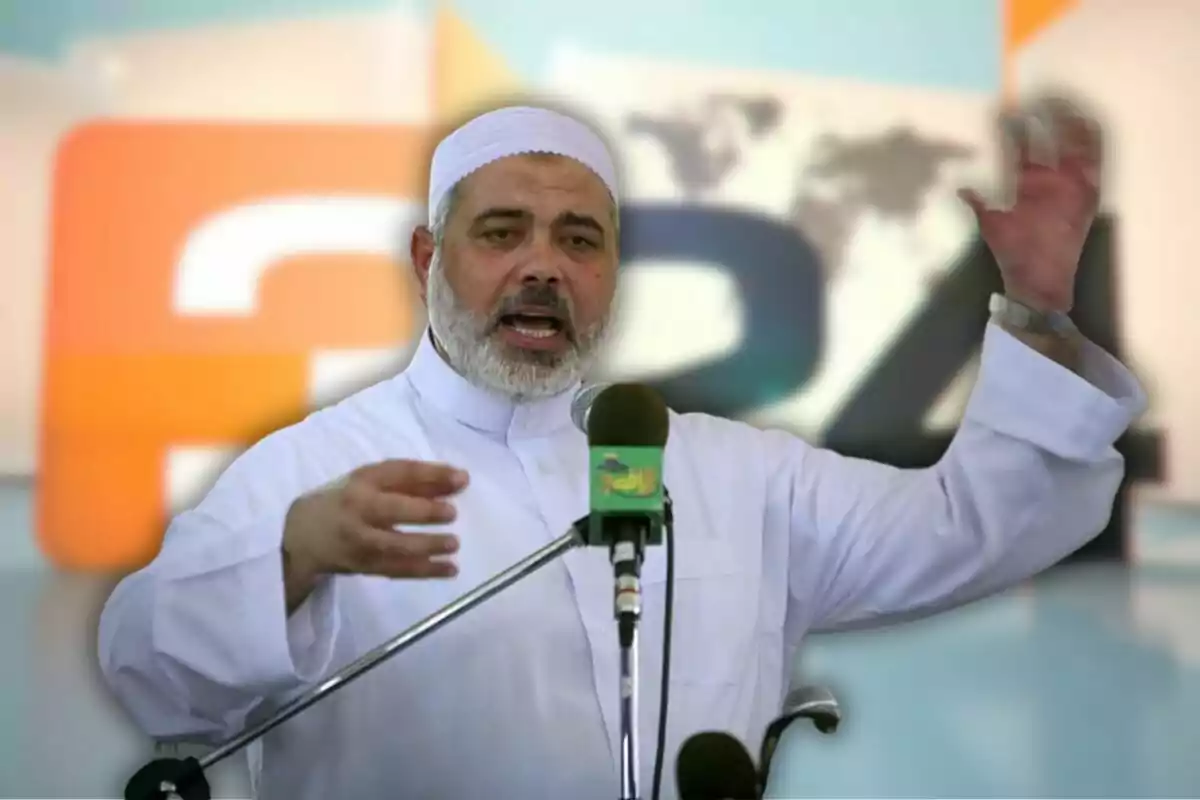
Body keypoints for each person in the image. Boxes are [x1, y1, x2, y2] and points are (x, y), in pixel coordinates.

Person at [98, 101, 1146, 800]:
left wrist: (1041, 313)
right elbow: (149, 671)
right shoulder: (312, 472)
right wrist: (293, 556)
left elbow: (970, 528)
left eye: (578, 239)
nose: (543, 267)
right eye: (502, 231)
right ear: (428, 257)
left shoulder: (731, 474)